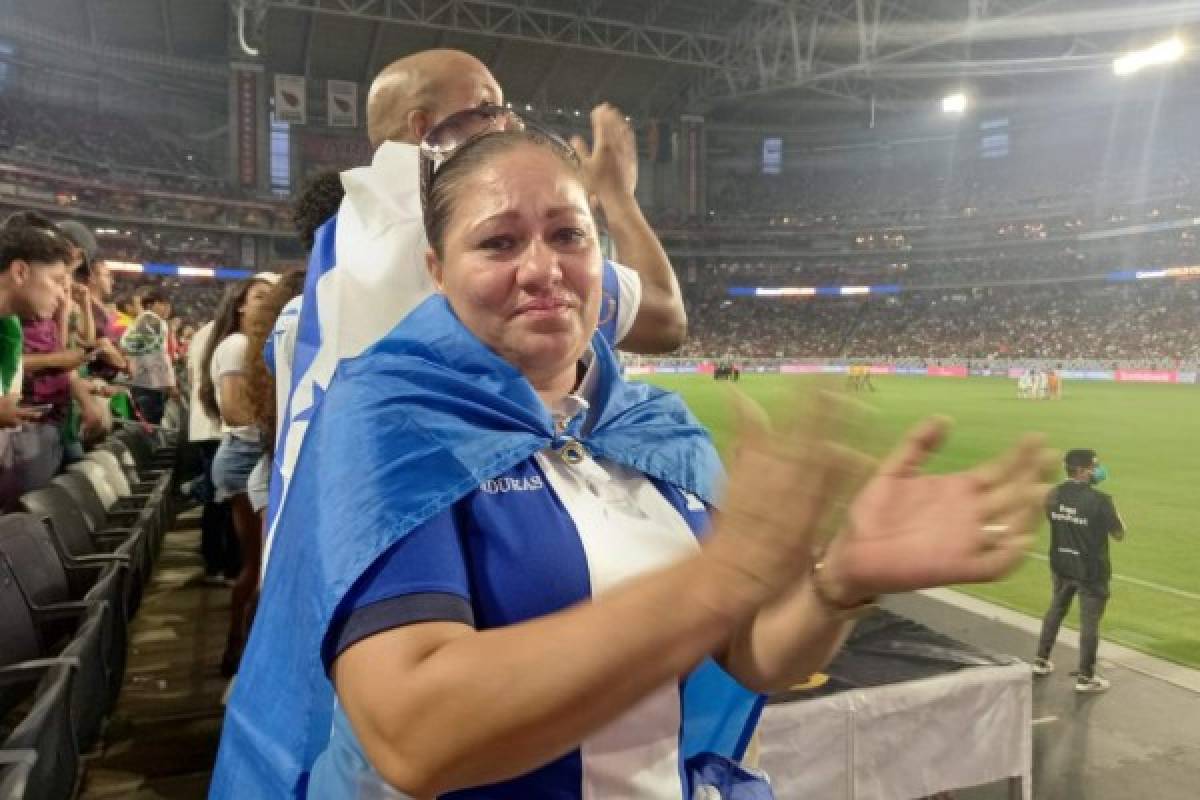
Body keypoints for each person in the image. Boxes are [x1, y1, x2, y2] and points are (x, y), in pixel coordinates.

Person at [212, 124, 1053, 798]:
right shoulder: (390, 416)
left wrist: (841, 583)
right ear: (436, 271)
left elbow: (753, 655)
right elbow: (414, 735)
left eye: (567, 234)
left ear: (600, 260)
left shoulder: (654, 424)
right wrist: (714, 581)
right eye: (498, 242)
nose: (542, 269)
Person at [269, 50, 687, 549]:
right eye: (488, 108)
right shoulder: (444, 226)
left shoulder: (345, 232)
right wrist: (617, 197)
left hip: (311, 545)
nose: (508, 123)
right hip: (411, 554)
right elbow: (665, 318)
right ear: (426, 127)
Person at [199, 276, 275, 675]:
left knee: (255, 561)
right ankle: (238, 649)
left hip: (242, 453)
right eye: (259, 297)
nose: (267, 303)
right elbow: (232, 408)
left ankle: (238, 647)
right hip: (244, 455)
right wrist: (275, 428)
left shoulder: (248, 345)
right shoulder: (238, 345)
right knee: (256, 563)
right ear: (241, 305)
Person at [1033, 448, 1125, 693]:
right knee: (1089, 623)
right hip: (1091, 571)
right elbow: (1119, 534)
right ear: (1083, 470)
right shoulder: (1101, 500)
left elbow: (1056, 521)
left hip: (1061, 563)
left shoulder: (1052, 494)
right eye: (1095, 466)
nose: (1098, 470)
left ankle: (1040, 660)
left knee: (1055, 610)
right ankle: (1085, 677)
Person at [120, 288, 178, 425]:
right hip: (151, 383)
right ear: (150, 305)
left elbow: (126, 346)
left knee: (145, 424)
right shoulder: (154, 321)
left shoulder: (142, 320)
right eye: (163, 304)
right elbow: (161, 356)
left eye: (168, 304)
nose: (167, 308)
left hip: (142, 382)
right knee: (151, 425)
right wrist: (171, 384)